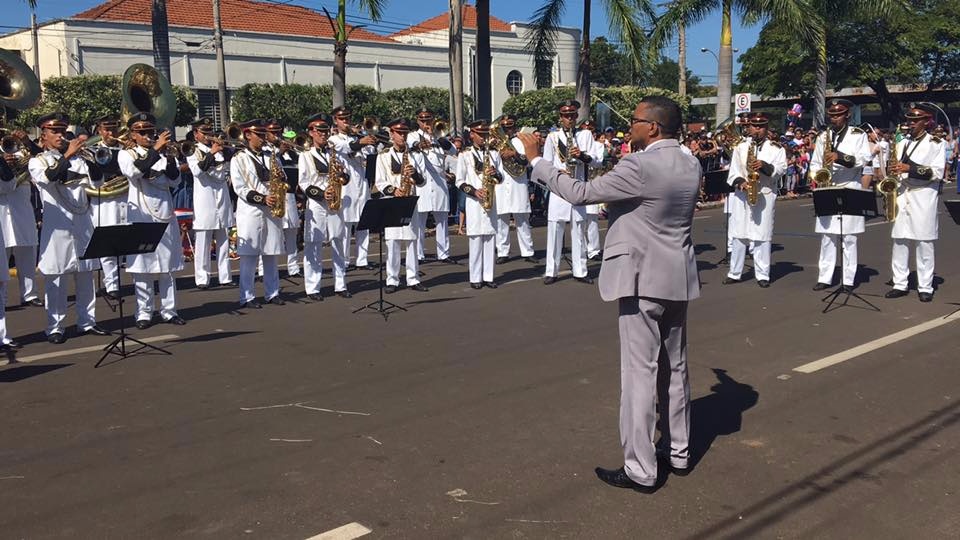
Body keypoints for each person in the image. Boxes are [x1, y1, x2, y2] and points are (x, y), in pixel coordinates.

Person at [519, 95, 701, 493]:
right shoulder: (690, 161)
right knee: (675, 368)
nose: (629, 126)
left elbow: (581, 193)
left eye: (635, 120)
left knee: (639, 374)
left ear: (653, 127)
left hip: (642, 278)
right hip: (677, 276)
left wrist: (537, 160)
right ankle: (680, 451)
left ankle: (640, 468)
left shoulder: (640, 164)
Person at [27, 112, 110, 343]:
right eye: (55, 131)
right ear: (43, 136)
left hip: (82, 222)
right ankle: (55, 327)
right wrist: (68, 154)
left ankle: (87, 321)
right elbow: (49, 178)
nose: (60, 135)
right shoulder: (38, 161)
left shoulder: (79, 159)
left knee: (86, 276)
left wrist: (92, 160)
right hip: (58, 227)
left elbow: (98, 182)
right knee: (56, 279)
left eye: (63, 131)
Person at [118, 112, 186, 329]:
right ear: (133, 134)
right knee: (142, 268)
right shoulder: (126, 154)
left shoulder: (163, 155)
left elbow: (175, 181)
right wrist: (156, 150)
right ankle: (144, 313)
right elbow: (134, 172)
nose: (148, 135)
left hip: (165, 213)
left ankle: (169, 310)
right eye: (143, 132)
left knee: (167, 267)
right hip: (142, 215)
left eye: (150, 131)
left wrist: (171, 158)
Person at [809, 99, 872, 292]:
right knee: (827, 236)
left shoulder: (858, 135)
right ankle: (825, 277)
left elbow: (864, 159)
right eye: (832, 115)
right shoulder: (823, 136)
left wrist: (841, 157)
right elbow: (815, 162)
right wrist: (817, 177)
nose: (834, 118)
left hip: (849, 185)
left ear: (847, 115)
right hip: (827, 187)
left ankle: (848, 279)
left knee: (849, 237)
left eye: (838, 114)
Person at [885, 104, 945, 303]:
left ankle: (925, 286)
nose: (910, 123)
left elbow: (937, 173)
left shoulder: (936, 143)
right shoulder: (903, 143)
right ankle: (900, 283)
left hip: (923, 195)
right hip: (903, 194)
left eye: (914, 120)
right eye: (909, 120)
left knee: (924, 242)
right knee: (899, 240)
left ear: (926, 122)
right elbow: (894, 167)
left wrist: (909, 168)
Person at [723, 112, 787, 288]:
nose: (757, 130)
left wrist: (764, 166)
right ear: (749, 127)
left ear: (766, 128)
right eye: (754, 126)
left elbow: (781, 170)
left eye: (761, 127)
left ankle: (763, 274)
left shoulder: (776, 148)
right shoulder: (741, 146)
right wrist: (741, 182)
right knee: (738, 234)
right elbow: (733, 173)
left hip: (764, 194)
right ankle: (734, 273)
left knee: (762, 236)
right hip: (742, 196)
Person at [230, 119, 287, 308]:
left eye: (264, 135)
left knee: (271, 253)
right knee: (249, 256)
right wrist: (262, 198)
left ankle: (273, 292)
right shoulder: (239, 158)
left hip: (271, 209)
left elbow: (282, 178)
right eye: (259, 135)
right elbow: (239, 187)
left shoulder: (272, 156)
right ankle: (247, 296)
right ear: (248, 135)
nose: (264, 139)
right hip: (251, 210)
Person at [541, 99, 595, 285]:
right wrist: (557, 172)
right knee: (555, 229)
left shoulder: (586, 135)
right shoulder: (552, 137)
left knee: (579, 228)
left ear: (576, 116)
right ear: (560, 117)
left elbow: (595, 160)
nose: (569, 119)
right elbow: (546, 164)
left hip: (578, 185)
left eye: (572, 115)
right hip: (559, 187)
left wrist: (581, 155)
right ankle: (551, 270)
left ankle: (581, 270)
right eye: (566, 115)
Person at [299, 113, 352, 300]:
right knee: (314, 245)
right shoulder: (305, 155)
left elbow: (346, 177)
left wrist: (343, 175)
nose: (323, 134)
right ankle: (313, 287)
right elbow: (304, 183)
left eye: (325, 131)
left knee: (338, 242)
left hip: (335, 202)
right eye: (319, 131)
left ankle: (341, 284)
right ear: (311, 133)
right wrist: (322, 194)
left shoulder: (334, 154)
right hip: (317, 204)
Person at [375, 118, 429, 294]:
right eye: (399, 133)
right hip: (392, 201)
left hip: (409, 200)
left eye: (405, 133)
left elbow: (423, 181)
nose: (403, 136)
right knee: (393, 242)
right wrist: (393, 190)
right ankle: (393, 279)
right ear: (392, 134)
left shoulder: (416, 155)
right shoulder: (383, 156)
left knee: (412, 240)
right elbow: (380, 182)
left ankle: (413, 278)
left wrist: (416, 175)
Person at [187, 117, 235, 290]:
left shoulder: (221, 150)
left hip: (222, 199)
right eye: (204, 132)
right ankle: (202, 278)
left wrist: (224, 149)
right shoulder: (193, 151)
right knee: (203, 242)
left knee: (223, 240)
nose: (208, 135)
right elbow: (197, 171)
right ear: (196, 134)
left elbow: (228, 167)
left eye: (210, 132)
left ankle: (225, 276)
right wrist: (212, 153)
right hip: (204, 201)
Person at [456, 120, 504, 289]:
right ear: (472, 135)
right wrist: (474, 191)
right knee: (476, 239)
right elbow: (459, 181)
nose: (484, 137)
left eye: (485, 134)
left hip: (490, 199)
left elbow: (502, 178)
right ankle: (475, 277)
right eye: (480, 134)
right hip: (474, 202)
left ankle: (489, 276)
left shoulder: (494, 154)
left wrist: (495, 173)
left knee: (490, 238)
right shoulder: (465, 155)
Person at [329, 107, 378, 271]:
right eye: (342, 119)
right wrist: (359, 142)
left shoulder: (357, 137)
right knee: (345, 224)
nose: (346, 122)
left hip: (361, 183)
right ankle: (344, 260)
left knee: (363, 223)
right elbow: (347, 148)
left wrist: (368, 140)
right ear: (336, 121)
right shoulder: (334, 139)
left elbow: (371, 152)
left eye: (348, 118)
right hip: (346, 185)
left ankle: (362, 260)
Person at [408, 108, 457, 264]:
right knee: (419, 221)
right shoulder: (412, 135)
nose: (425, 123)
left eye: (428, 120)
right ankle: (419, 254)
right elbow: (412, 145)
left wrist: (436, 136)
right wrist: (420, 143)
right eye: (422, 120)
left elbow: (452, 149)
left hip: (439, 183)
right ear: (418, 121)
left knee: (442, 220)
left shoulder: (439, 135)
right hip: (422, 183)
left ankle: (443, 253)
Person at [0, 125, 41, 307]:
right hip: (2, 208)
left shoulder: (20, 149)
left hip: (22, 207)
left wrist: (26, 141)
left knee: (28, 252)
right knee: (2, 257)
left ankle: (29, 294)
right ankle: (3, 298)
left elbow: (41, 156)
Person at [493, 115, 536, 264]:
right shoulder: (495, 143)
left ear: (515, 126)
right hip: (501, 184)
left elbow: (528, 161)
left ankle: (528, 251)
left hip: (519, 184)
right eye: (504, 127)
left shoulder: (522, 141)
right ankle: (502, 252)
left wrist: (514, 154)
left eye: (509, 126)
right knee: (501, 221)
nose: (507, 130)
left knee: (522, 221)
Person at [263, 119, 301, 278]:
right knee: (269, 234)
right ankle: (262, 269)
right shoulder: (264, 150)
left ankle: (293, 267)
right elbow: (267, 168)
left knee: (292, 231)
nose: (277, 135)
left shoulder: (291, 153)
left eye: (278, 132)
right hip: (272, 196)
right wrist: (278, 151)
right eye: (273, 133)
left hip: (289, 195)